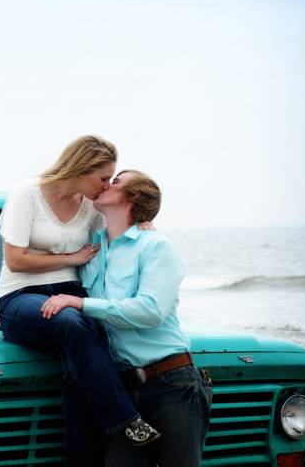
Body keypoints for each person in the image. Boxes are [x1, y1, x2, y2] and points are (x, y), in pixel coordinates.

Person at [0, 136, 160, 467]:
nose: (105, 187)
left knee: (80, 359)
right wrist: (71, 256)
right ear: (82, 168)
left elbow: (117, 233)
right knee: (71, 322)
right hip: (21, 296)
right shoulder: (27, 194)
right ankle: (125, 419)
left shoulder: (91, 206)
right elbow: (16, 260)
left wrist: (145, 225)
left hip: (72, 294)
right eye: (102, 178)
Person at [41, 170, 212, 467]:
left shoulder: (156, 247)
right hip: (119, 391)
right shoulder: (92, 249)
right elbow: (58, 281)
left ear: (132, 197)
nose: (106, 185)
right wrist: (16, 305)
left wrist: (81, 304)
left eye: (116, 181)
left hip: (170, 383)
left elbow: (150, 311)